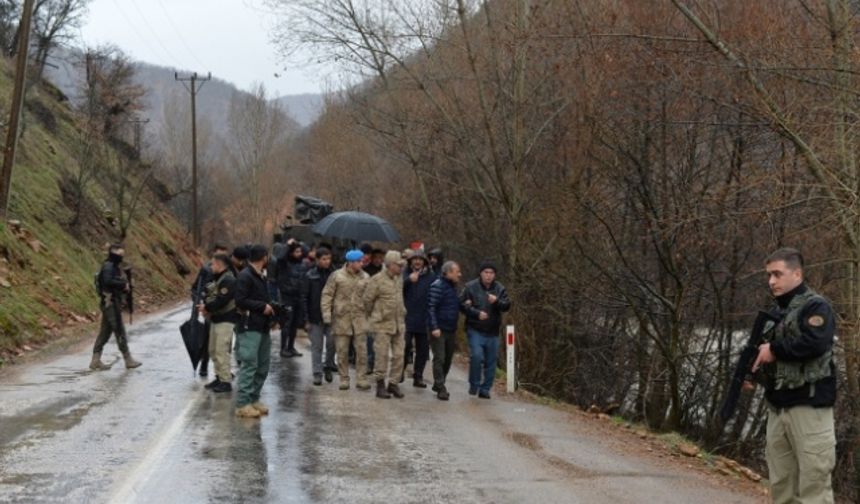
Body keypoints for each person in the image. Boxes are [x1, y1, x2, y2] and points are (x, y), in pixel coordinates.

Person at [746, 248, 836, 503]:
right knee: (781, 485)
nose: (771, 281)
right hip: (778, 408)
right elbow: (765, 355)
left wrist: (774, 350)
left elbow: (815, 343)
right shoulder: (776, 313)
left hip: (809, 408)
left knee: (814, 486)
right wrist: (751, 374)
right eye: (768, 275)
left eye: (777, 274)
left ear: (797, 273)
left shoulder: (816, 306)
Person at [234, 245, 275, 419]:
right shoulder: (245, 276)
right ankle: (243, 403)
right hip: (249, 326)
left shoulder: (260, 275)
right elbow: (240, 300)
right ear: (264, 257)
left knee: (263, 365)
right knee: (249, 364)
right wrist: (262, 307)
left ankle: (254, 398)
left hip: (262, 326)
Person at [321, 250, 371, 391]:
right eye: (359, 261)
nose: (362, 263)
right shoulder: (337, 276)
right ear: (351, 262)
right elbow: (327, 295)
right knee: (342, 350)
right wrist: (326, 314)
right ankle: (344, 379)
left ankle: (361, 378)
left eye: (362, 261)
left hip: (360, 319)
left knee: (362, 350)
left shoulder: (366, 277)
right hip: (341, 318)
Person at [461, 260, 511, 399]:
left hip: (493, 330)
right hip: (475, 328)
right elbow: (461, 305)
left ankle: (485, 389)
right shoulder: (470, 287)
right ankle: (474, 384)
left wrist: (497, 302)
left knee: (491, 361)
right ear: (481, 273)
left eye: (491, 273)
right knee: (476, 356)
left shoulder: (500, 288)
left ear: (495, 275)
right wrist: (476, 313)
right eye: (486, 272)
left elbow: (507, 305)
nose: (488, 275)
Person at [89, 244, 142, 371]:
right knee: (119, 330)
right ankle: (128, 359)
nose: (121, 257)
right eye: (119, 254)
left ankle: (95, 360)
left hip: (110, 303)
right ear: (113, 254)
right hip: (110, 303)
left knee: (105, 333)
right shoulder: (108, 266)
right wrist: (123, 284)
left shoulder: (113, 266)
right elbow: (107, 281)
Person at [364, 251, 407, 399]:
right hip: (381, 323)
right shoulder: (377, 280)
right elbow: (367, 300)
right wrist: (375, 315)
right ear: (390, 265)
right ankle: (380, 384)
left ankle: (393, 383)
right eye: (398, 265)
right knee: (381, 355)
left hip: (398, 323)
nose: (401, 267)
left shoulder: (399, 279)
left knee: (399, 355)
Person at [198, 253, 238, 393]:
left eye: (213, 264)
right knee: (213, 350)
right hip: (216, 319)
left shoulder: (228, 280)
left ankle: (225, 381)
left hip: (225, 320)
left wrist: (207, 308)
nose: (211, 266)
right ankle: (219, 376)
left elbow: (221, 300)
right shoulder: (217, 278)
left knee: (221, 351)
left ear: (220, 265)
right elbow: (210, 294)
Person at [190, 244, 229, 378]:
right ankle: (204, 365)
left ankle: (224, 371)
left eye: (225, 255)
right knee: (207, 338)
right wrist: (201, 301)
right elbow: (195, 288)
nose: (222, 257)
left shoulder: (229, 271)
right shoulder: (206, 269)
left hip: (225, 311)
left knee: (225, 341)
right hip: (209, 310)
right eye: (220, 254)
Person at [427, 261, 462, 400]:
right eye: (456, 271)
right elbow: (431, 307)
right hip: (439, 329)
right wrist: (434, 327)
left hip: (451, 329)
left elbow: (454, 305)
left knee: (447, 359)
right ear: (447, 273)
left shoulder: (454, 288)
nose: (459, 274)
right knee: (440, 358)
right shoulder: (437, 286)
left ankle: (438, 382)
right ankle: (441, 387)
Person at [301, 247, 336, 386]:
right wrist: (306, 319)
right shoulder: (309, 275)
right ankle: (317, 373)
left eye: (329, 259)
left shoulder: (335, 275)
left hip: (332, 316)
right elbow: (304, 297)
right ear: (317, 260)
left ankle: (328, 365)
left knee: (332, 343)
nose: (327, 262)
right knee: (317, 346)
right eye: (324, 259)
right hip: (315, 316)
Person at [403, 251, 434, 388]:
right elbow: (396, 289)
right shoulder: (404, 274)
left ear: (424, 262)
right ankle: (399, 372)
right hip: (406, 316)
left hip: (424, 317)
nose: (417, 262)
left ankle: (418, 376)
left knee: (422, 350)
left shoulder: (431, 277)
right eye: (414, 259)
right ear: (410, 262)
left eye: (420, 260)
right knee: (404, 346)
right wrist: (409, 280)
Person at [276, 241, 308, 358]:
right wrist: (288, 245)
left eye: (300, 251)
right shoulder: (284, 263)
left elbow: (307, 250)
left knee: (295, 323)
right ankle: (283, 348)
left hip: (298, 296)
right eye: (296, 251)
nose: (299, 253)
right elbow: (280, 257)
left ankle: (291, 347)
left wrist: (299, 242)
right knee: (287, 323)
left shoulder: (303, 264)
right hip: (287, 297)